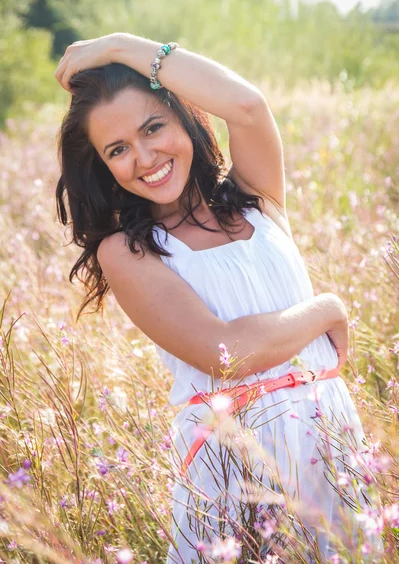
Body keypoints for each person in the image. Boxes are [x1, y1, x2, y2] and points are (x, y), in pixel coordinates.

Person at [54, 33, 375, 563]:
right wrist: (327, 308)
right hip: (235, 465)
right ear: (104, 167)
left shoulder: (257, 200)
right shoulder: (126, 251)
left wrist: (121, 46)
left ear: (184, 117)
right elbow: (225, 353)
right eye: (118, 150)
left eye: (153, 127)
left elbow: (247, 106)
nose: (145, 157)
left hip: (327, 439)